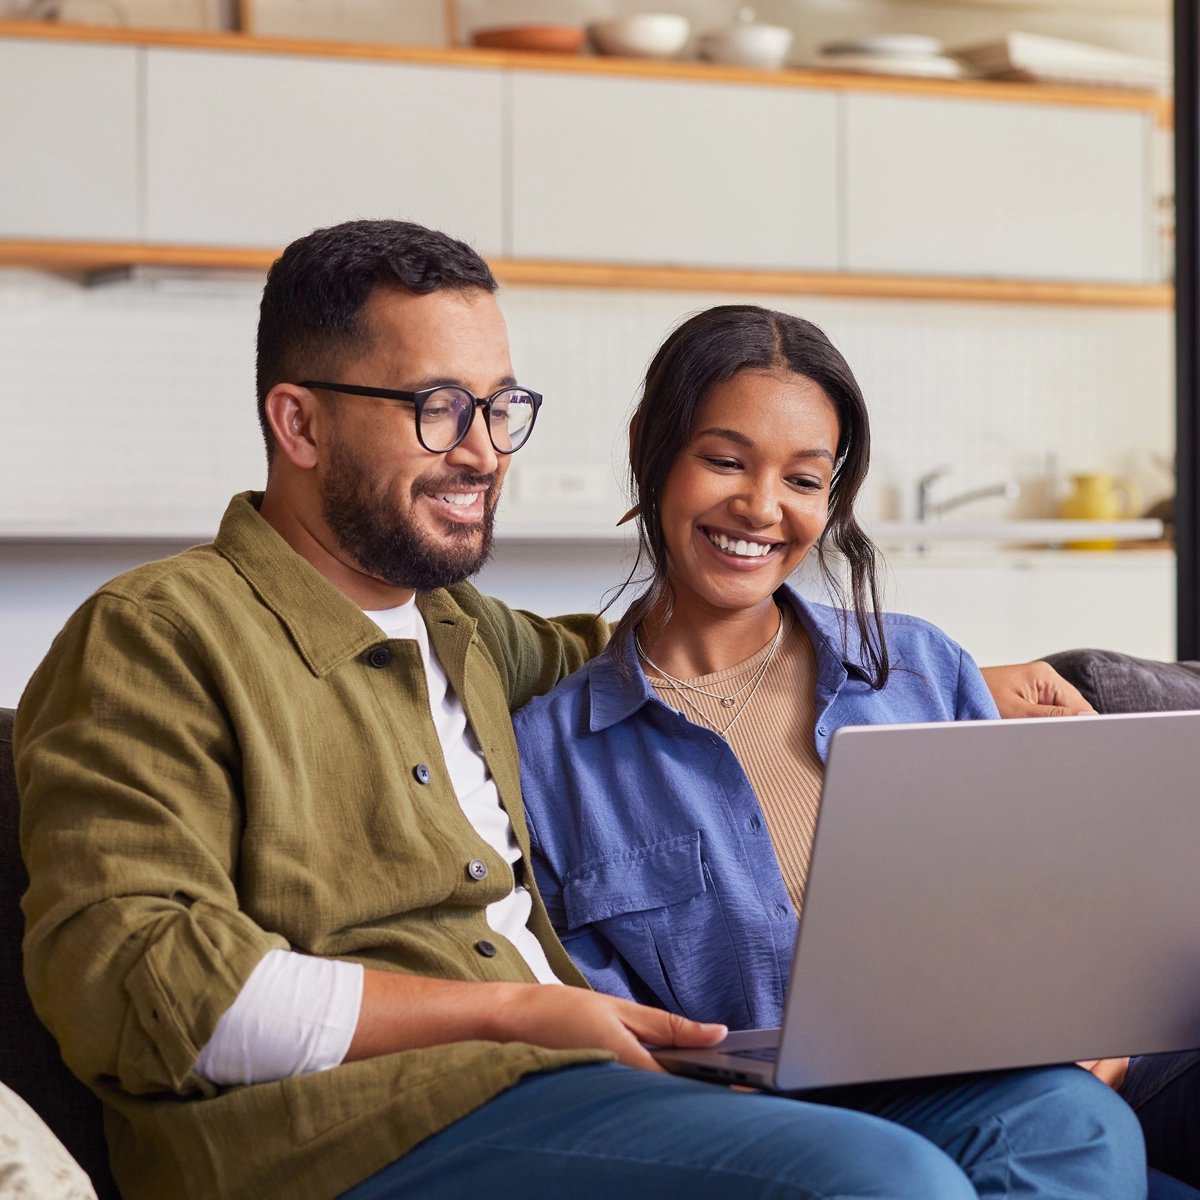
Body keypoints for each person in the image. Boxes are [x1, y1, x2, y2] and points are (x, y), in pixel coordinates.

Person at [13, 219, 1107, 1200]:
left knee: (1066, 1129)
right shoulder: (158, 633)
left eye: (499, 409)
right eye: (438, 410)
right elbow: (135, 986)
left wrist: (917, 674)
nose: (483, 451)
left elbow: (665, 651)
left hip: (579, 1088)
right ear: (298, 423)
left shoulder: (461, 632)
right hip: (355, 1134)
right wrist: (509, 1010)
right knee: (880, 1181)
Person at [513, 304, 1154, 1200]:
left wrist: (1096, 1026)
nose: (761, 508)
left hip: (960, 1085)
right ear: (651, 449)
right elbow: (608, 1031)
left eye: (803, 479)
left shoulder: (920, 670)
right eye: (725, 460)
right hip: (737, 1129)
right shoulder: (550, 756)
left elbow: (1040, 910)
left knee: (1075, 1122)